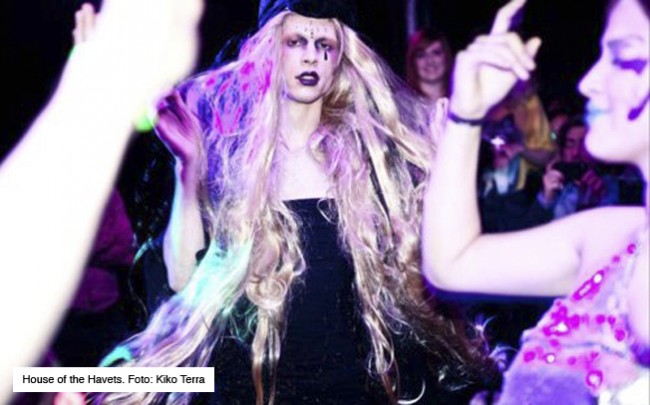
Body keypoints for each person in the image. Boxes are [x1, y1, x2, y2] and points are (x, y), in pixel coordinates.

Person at [100, 1, 499, 403]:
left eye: (325, 45)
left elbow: (426, 271)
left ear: (340, 59)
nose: (311, 56)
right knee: (78, 383)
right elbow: (182, 281)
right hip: (249, 388)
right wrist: (188, 168)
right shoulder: (230, 160)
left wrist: (448, 158)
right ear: (270, 49)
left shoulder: (367, 161)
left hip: (351, 390)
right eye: (295, 41)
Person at [424, 0, 649, 403]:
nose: (589, 82)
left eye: (623, 57)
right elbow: (450, 264)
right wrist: (466, 114)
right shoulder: (611, 234)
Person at [0, 0, 203, 402]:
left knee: (190, 382)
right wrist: (104, 84)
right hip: (64, 332)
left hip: (100, 331)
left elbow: (126, 250)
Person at [405, 28, 453, 105]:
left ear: (446, 57)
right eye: (421, 55)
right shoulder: (401, 103)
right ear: (413, 62)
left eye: (436, 53)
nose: (430, 61)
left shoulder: (463, 99)